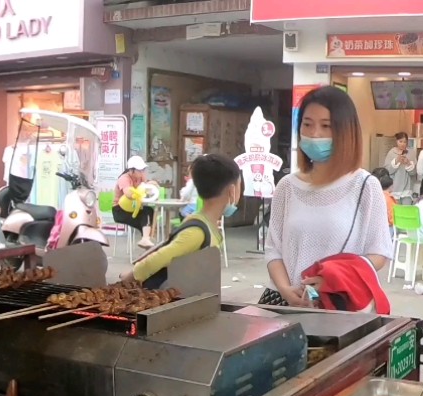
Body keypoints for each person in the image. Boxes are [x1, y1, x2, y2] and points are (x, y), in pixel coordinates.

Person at [262, 86, 393, 307]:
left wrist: (333, 278)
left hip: (339, 307)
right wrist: (285, 290)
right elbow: (273, 249)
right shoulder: (287, 186)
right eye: (307, 124)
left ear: (345, 131)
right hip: (286, 308)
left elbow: (379, 253)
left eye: (326, 126)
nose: (314, 134)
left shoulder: (365, 186)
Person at [121, 154, 238, 288]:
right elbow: (161, 257)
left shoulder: (206, 226)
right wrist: (131, 275)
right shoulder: (197, 231)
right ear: (232, 191)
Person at [113, 155, 157, 248]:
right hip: (120, 210)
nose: (142, 172)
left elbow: (147, 187)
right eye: (140, 170)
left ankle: (146, 239)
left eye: (143, 170)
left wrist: (152, 184)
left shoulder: (140, 178)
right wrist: (139, 191)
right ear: (131, 170)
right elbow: (128, 193)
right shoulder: (124, 178)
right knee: (145, 220)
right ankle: (146, 239)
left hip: (133, 208)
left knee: (149, 211)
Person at [384, 132, 417, 204]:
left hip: (407, 189)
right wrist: (396, 161)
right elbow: (387, 171)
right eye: (400, 141)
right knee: (395, 212)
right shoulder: (391, 153)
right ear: (396, 141)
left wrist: (408, 163)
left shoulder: (411, 153)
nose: (402, 144)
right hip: (394, 188)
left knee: (406, 212)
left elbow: (414, 173)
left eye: (405, 142)